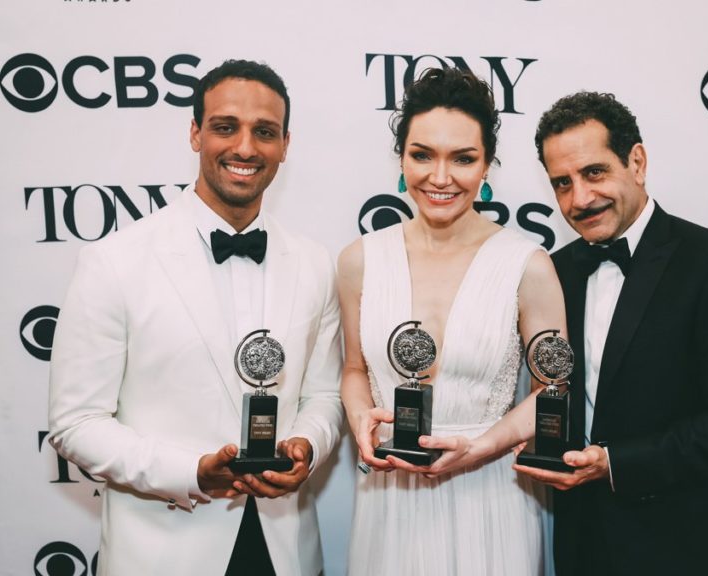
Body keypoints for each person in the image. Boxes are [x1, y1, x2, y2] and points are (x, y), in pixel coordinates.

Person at [47, 60, 343, 576]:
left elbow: (325, 396)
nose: (246, 148)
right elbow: (76, 423)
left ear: (285, 145)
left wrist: (308, 446)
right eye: (225, 127)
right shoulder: (116, 261)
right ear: (194, 133)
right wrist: (191, 472)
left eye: (265, 132)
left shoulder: (316, 263)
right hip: (165, 550)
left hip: (287, 551)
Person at [514, 91, 708, 576]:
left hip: (692, 547)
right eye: (562, 183)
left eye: (594, 173)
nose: (580, 199)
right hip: (584, 546)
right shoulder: (552, 273)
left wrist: (612, 462)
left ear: (636, 161)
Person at [338, 67, 566, 576]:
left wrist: (481, 448)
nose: (441, 178)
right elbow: (354, 369)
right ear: (401, 158)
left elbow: (554, 391)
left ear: (487, 166)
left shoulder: (527, 265)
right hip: (390, 497)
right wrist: (359, 420)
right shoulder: (359, 260)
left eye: (463, 158)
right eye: (423, 155)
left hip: (490, 496)